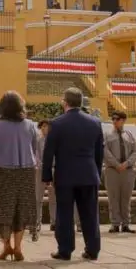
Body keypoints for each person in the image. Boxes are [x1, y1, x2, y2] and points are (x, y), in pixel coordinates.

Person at [43, 87, 104, 261]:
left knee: (64, 213)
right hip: (88, 174)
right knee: (90, 214)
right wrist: (96, 173)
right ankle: (93, 249)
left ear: (65, 102)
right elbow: (99, 153)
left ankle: (65, 249)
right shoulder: (95, 123)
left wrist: (47, 176)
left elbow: (49, 152)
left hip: (65, 176)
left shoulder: (57, 123)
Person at [0, 91, 37, 262]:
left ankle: (6, 246)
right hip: (26, 170)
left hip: (4, 171)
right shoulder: (30, 125)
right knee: (22, 208)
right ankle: (18, 247)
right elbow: (34, 149)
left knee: (4, 209)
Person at [33, 120, 81, 241]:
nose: (45, 129)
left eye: (47, 126)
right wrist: (40, 164)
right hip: (40, 169)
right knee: (38, 197)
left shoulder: (55, 140)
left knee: (53, 198)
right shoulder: (38, 140)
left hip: (54, 169)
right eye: (43, 127)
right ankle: (36, 222)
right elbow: (36, 154)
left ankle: (53, 221)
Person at [103, 111, 136, 233]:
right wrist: (116, 164)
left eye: (117, 119)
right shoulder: (107, 135)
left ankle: (126, 224)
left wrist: (127, 163)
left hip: (127, 171)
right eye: (113, 119)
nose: (114, 121)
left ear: (123, 120)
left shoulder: (129, 135)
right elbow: (105, 151)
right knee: (113, 198)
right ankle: (115, 223)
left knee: (126, 198)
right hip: (112, 170)